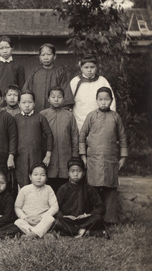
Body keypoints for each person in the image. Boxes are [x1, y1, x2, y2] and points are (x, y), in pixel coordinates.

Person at [79, 87, 127, 224]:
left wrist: (123, 157)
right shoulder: (91, 116)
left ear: (111, 101)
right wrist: (83, 156)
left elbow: (122, 138)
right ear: (96, 101)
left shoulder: (115, 117)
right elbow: (82, 136)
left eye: (106, 99)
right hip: (93, 159)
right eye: (100, 99)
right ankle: (91, 218)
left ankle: (110, 219)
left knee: (110, 188)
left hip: (110, 158)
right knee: (92, 187)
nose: (103, 102)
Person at [53, 158, 107, 238]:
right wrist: (65, 216)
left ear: (84, 173)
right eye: (72, 171)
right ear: (68, 173)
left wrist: (88, 215)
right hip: (68, 220)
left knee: (98, 218)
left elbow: (101, 207)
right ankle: (87, 232)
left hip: (85, 220)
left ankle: (70, 232)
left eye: (79, 171)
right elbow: (56, 208)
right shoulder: (63, 188)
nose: (75, 174)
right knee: (56, 222)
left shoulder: (89, 189)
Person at [40, 87, 79, 192]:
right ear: (48, 99)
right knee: (49, 183)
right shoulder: (43, 115)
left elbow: (75, 136)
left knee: (65, 184)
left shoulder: (69, 115)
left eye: (59, 97)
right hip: (48, 157)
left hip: (65, 155)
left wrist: (75, 156)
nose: (56, 99)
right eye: (53, 97)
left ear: (64, 99)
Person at [14, 90, 54, 188]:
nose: (27, 105)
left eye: (30, 102)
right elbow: (11, 137)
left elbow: (49, 135)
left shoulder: (40, 117)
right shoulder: (16, 118)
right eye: (23, 102)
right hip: (20, 157)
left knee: (37, 179)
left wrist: (48, 155)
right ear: (19, 104)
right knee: (22, 181)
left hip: (36, 156)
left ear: (34, 103)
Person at [23, 43, 74, 112]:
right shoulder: (34, 73)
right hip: (36, 110)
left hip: (55, 111)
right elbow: (26, 91)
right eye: (43, 55)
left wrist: (65, 109)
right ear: (39, 57)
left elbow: (66, 92)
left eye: (49, 54)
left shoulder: (60, 73)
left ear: (54, 56)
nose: (46, 57)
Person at [70, 55, 116, 131]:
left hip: (99, 118)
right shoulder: (75, 81)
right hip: (79, 118)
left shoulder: (102, 81)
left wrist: (112, 116)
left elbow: (111, 99)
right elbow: (69, 100)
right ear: (81, 68)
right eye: (86, 67)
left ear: (96, 67)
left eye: (92, 67)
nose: (89, 70)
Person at [14, 163, 58, 239]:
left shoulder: (48, 189)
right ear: (30, 177)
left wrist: (42, 217)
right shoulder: (24, 189)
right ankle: (39, 234)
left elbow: (55, 207)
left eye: (42, 175)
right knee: (18, 222)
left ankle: (31, 235)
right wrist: (25, 218)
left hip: (42, 220)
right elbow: (17, 207)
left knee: (50, 219)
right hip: (28, 220)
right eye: (35, 174)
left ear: (46, 178)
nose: (39, 177)